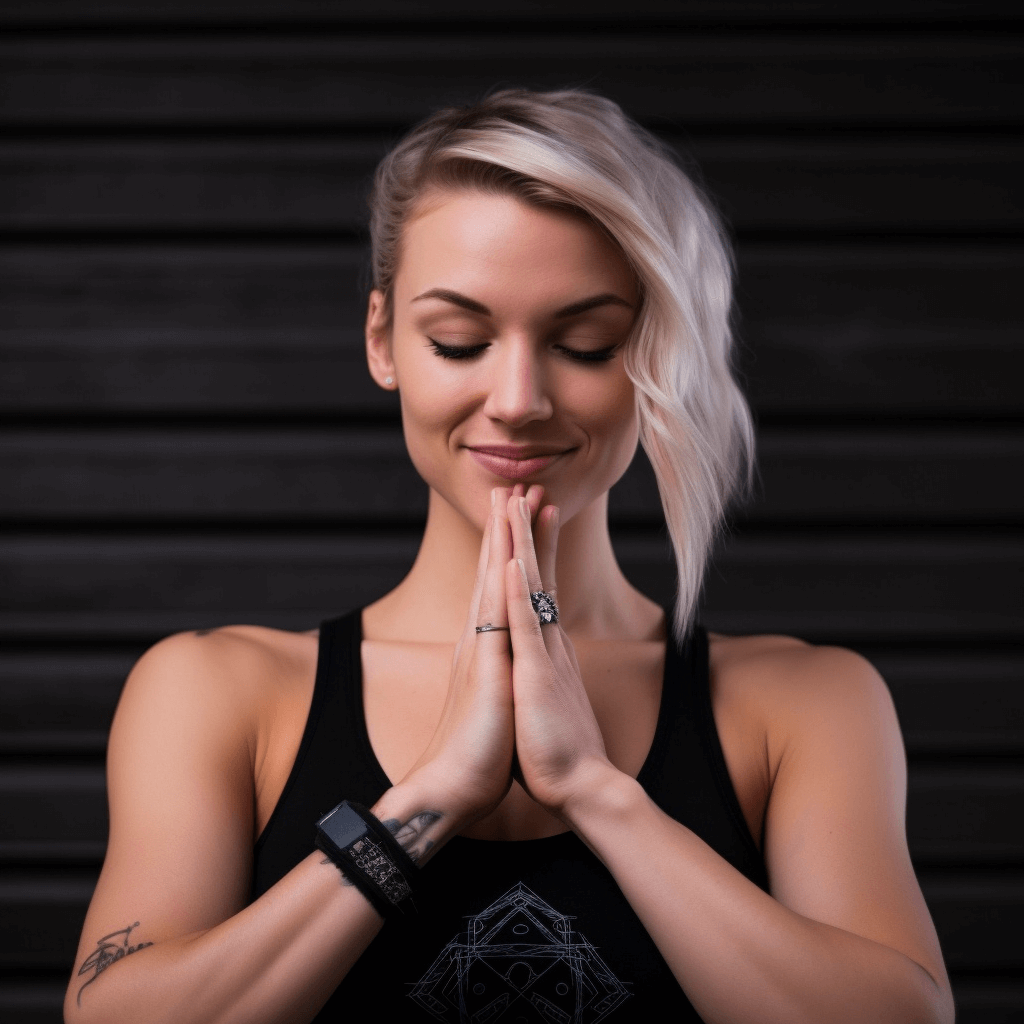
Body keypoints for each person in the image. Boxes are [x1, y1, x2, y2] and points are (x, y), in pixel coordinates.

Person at [64, 89, 954, 1024]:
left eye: (587, 342)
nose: (519, 397)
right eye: (461, 341)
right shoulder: (215, 692)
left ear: (657, 354)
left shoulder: (803, 704)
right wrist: (429, 803)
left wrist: (601, 796)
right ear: (383, 341)